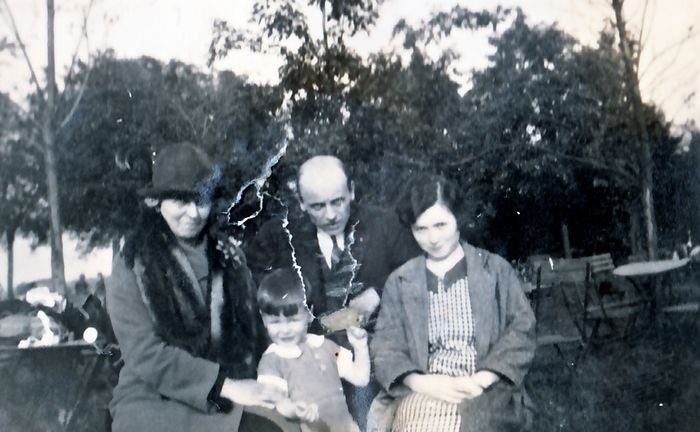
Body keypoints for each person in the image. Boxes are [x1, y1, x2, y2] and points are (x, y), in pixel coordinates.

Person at [106, 142, 296, 432]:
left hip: (230, 392)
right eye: (181, 201)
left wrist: (278, 377)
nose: (193, 213)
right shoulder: (133, 263)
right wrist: (224, 386)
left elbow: (256, 334)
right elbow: (146, 354)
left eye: (202, 200)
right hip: (155, 398)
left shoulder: (230, 257)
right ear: (156, 202)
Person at [246, 155, 419, 428]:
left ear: (351, 191)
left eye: (337, 202)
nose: (330, 215)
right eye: (317, 206)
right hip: (310, 369)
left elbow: (419, 274)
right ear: (301, 203)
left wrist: (379, 292)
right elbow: (253, 291)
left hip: (374, 365)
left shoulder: (385, 226)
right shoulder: (278, 238)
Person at [369, 174, 536, 432]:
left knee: (477, 424)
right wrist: (421, 383)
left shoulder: (495, 270)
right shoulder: (400, 281)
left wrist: (483, 378)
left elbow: (522, 330)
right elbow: (385, 345)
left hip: (486, 389)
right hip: (424, 389)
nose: (433, 238)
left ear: (459, 219)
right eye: (421, 229)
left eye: (441, 225)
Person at [256, 268, 370, 432]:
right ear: (264, 319)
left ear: (308, 313)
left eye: (293, 320)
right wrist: (295, 409)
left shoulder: (326, 347)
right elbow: (276, 404)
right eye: (275, 322)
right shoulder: (272, 361)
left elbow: (360, 378)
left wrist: (360, 347)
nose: (285, 330)